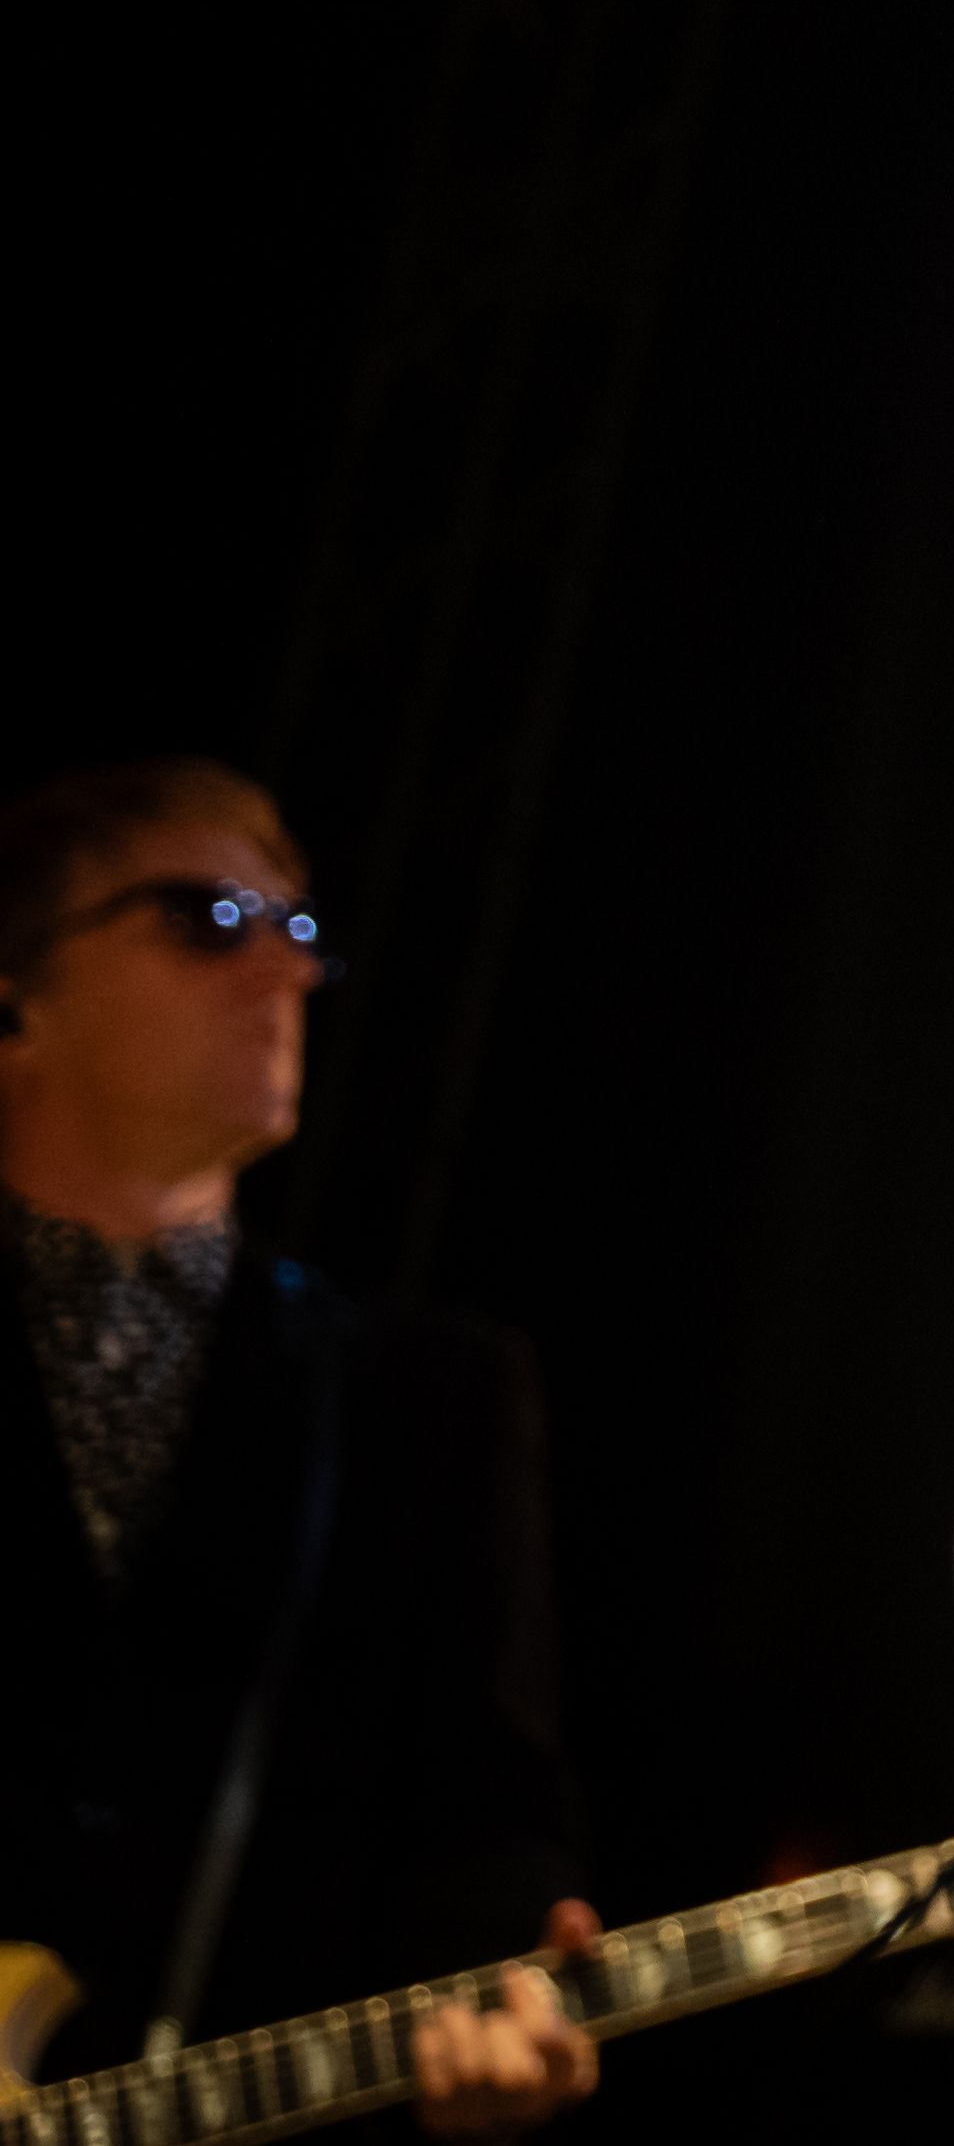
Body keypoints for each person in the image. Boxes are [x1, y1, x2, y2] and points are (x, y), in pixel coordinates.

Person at [0, 760, 591, 2132]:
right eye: (208, 918)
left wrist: (505, 2001)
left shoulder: (431, 1389)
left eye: (302, 928)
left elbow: (485, 1815)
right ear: (18, 989)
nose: (287, 970)